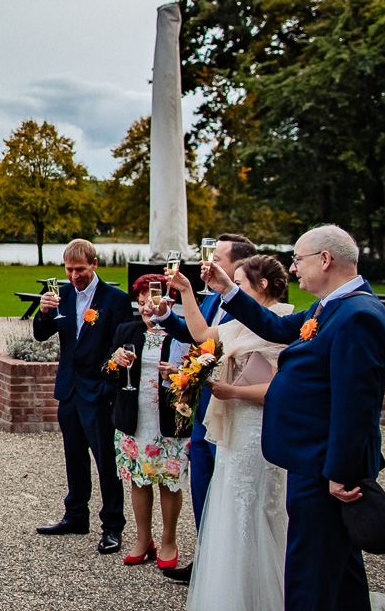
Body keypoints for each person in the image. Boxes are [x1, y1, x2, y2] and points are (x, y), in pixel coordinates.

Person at [211, 225, 385, 611]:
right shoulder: (331, 308)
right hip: (313, 457)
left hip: (324, 465)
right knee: (342, 562)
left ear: (326, 260)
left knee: (308, 566)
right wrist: (229, 290)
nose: (293, 268)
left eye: (298, 259)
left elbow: (356, 403)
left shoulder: (359, 316)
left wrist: (339, 470)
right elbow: (278, 328)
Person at [166, 256, 293, 611]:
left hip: (257, 430)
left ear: (265, 286)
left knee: (256, 507)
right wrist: (187, 291)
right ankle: (234, 599)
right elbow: (201, 332)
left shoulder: (282, 325)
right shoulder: (241, 322)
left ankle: (268, 606)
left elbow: (278, 390)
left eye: (238, 282)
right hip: (232, 430)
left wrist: (232, 391)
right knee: (230, 504)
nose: (229, 287)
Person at [156, 233, 258, 581]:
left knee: (228, 488)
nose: (208, 263)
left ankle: (232, 567)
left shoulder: (248, 307)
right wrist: (168, 315)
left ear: (238, 266)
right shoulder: (213, 297)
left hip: (233, 410)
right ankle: (207, 558)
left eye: (217, 258)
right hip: (204, 410)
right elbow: (199, 334)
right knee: (201, 487)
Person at [31, 238, 134, 554]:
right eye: (69, 269)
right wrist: (44, 312)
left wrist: (108, 388)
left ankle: (112, 526)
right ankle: (76, 515)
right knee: (74, 458)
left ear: (94, 264)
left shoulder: (115, 300)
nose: (74, 275)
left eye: (80, 269)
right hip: (69, 390)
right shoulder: (60, 296)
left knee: (106, 462)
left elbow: (125, 345)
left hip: (98, 392)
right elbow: (39, 334)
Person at [103, 275, 191, 570]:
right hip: (134, 418)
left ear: (168, 302)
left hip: (168, 420)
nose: (145, 309)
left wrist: (179, 374)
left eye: (150, 303)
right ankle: (143, 540)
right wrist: (115, 360)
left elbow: (199, 379)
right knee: (139, 479)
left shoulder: (184, 332)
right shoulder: (127, 330)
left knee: (169, 480)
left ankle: (169, 540)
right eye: (140, 304)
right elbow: (108, 374)